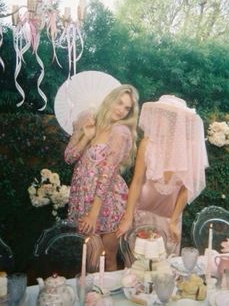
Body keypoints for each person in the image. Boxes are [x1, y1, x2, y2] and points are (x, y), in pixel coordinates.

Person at [117, 95, 209, 255]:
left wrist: (173, 221)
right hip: (142, 215)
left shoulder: (190, 149)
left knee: (166, 271)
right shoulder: (147, 144)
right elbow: (137, 181)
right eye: (158, 115)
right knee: (137, 269)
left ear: (176, 121)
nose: (158, 119)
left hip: (169, 219)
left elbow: (188, 188)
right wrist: (128, 217)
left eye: (164, 116)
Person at [64, 84, 139, 271]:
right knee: (91, 261)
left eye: (127, 108)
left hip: (107, 203)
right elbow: (69, 157)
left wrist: (93, 215)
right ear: (110, 100)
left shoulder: (121, 132)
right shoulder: (89, 120)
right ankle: (93, 299)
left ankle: (108, 299)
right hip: (83, 198)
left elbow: (107, 174)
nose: (121, 110)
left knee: (109, 258)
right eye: (119, 103)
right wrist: (86, 137)